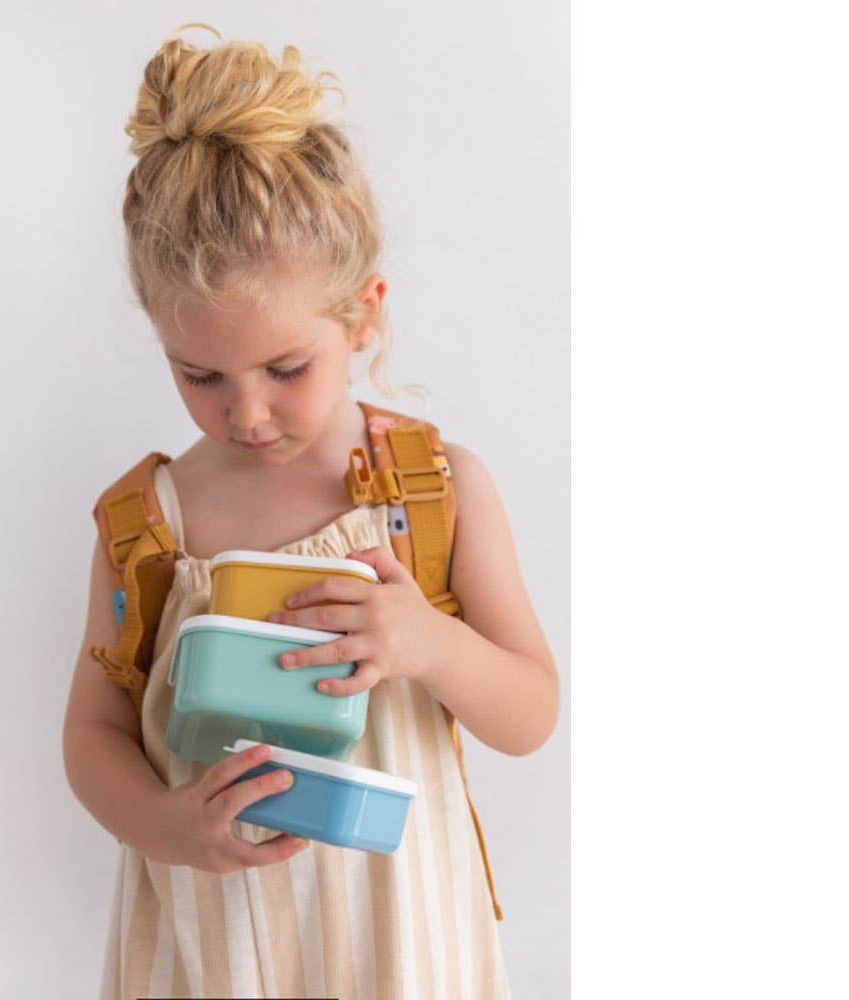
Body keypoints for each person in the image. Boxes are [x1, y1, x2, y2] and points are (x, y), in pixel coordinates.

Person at [62, 23, 558, 1000]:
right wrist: (164, 825)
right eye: (200, 375)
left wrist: (426, 643)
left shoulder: (434, 493)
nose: (246, 413)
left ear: (362, 314)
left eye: (286, 368)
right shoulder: (149, 524)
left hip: (401, 948)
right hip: (213, 952)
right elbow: (92, 735)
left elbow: (530, 713)